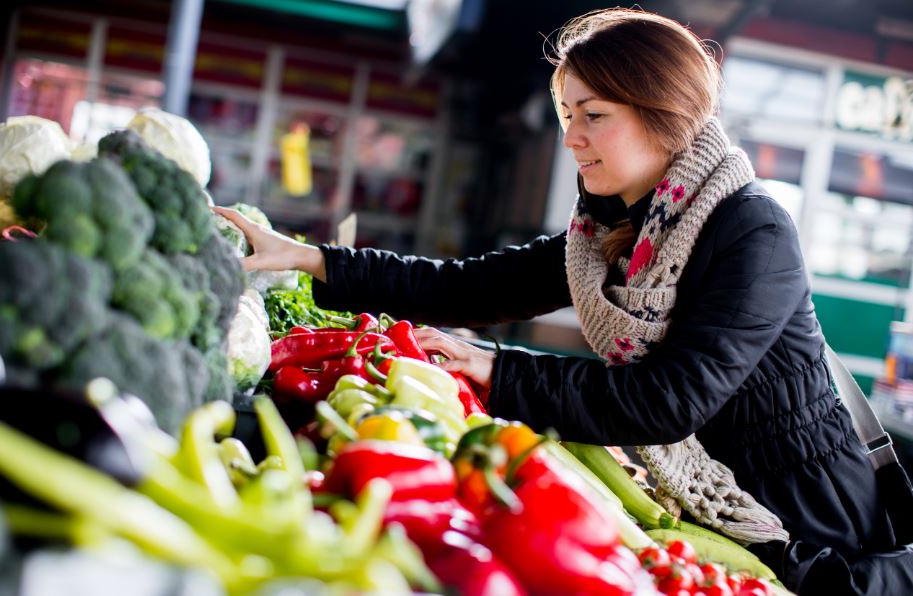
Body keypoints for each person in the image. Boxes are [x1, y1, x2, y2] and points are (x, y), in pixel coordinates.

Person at [216, 8, 913, 594]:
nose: (572, 136)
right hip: (706, 506)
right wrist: (313, 259)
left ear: (663, 114)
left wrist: (498, 370)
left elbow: (669, 400)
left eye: (593, 115)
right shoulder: (608, 234)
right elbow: (467, 287)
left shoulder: (751, 229)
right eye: (566, 113)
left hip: (806, 521)